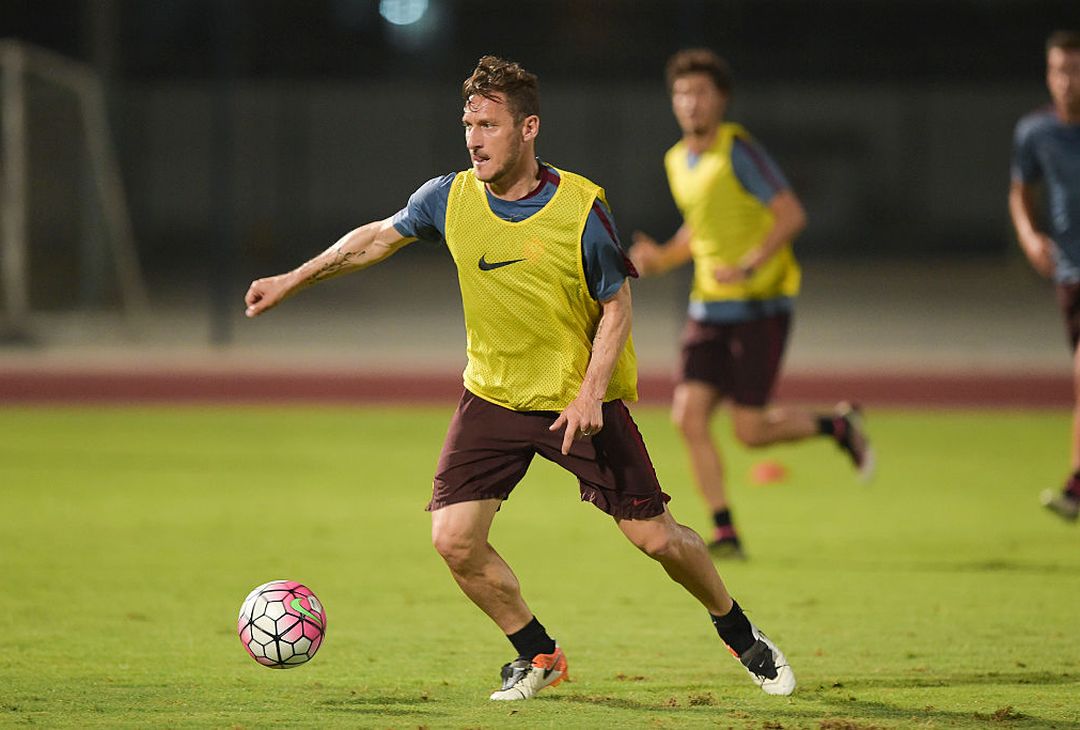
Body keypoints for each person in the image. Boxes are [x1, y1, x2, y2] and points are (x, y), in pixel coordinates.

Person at [244, 56, 795, 699]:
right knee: (453, 539)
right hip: (494, 395)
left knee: (658, 539)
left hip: (575, 400)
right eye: (468, 124)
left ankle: (741, 634)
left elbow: (616, 305)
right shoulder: (447, 197)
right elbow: (373, 239)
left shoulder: (579, 208)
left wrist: (592, 391)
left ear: (528, 128)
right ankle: (537, 654)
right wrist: (293, 278)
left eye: (490, 125)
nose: (475, 138)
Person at [629, 49, 874, 559]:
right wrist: (660, 259)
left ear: (721, 100)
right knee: (687, 417)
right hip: (708, 308)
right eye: (681, 93)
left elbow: (790, 214)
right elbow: (700, 230)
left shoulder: (739, 151)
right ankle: (725, 532)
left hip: (760, 305)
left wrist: (749, 264)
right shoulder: (677, 160)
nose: (690, 103)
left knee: (750, 430)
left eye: (700, 93)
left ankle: (837, 426)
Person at [1010, 30, 1080, 522]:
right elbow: (1020, 190)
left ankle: (1076, 483)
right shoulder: (1035, 132)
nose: (1067, 81)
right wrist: (1030, 236)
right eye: (1059, 70)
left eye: (1075, 70)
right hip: (1070, 273)